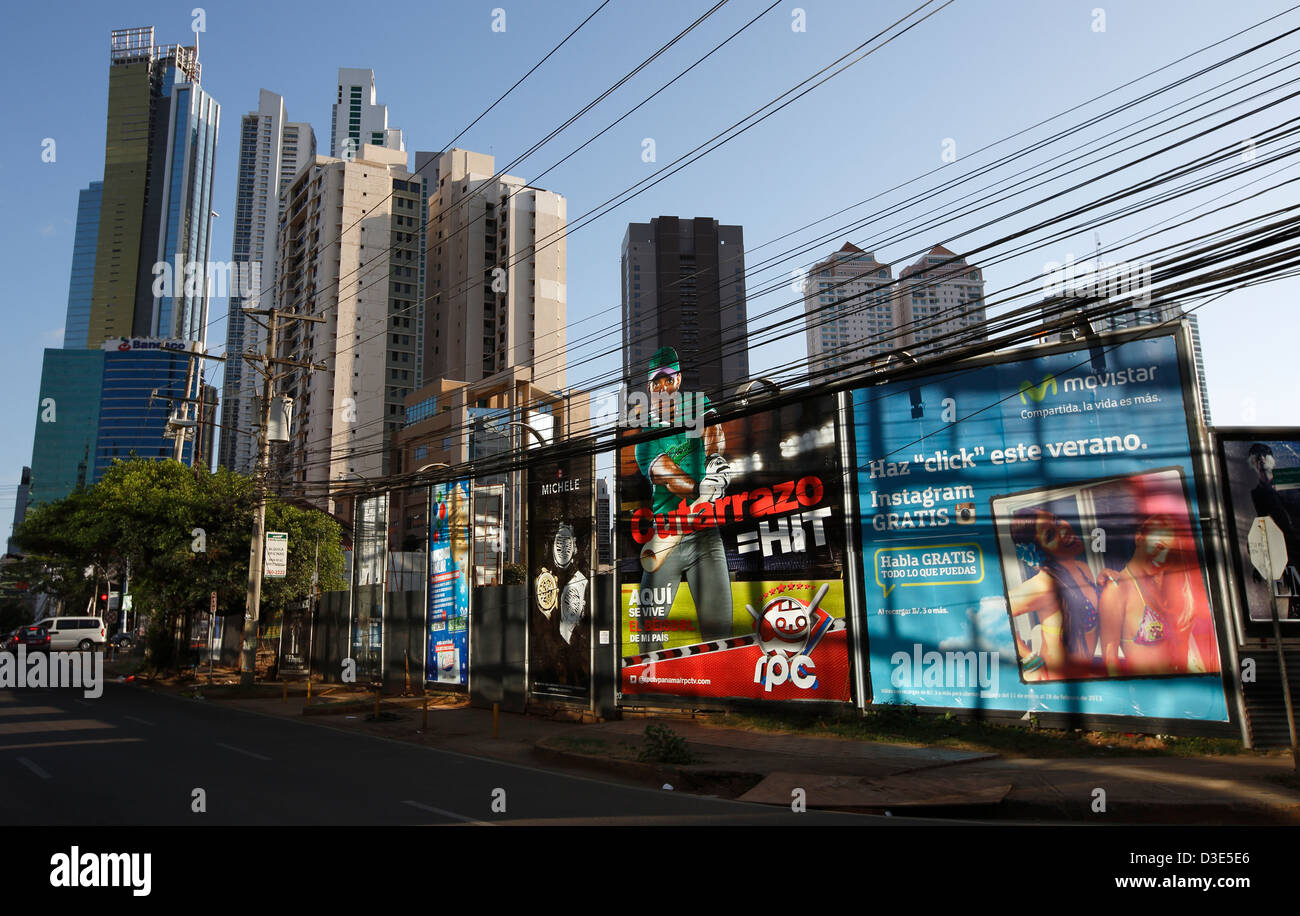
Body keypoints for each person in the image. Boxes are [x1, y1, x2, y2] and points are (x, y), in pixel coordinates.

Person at [633, 347, 734, 643]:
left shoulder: (697, 403)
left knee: (720, 632)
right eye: (656, 383)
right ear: (649, 390)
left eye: (667, 380)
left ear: (678, 380)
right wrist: (700, 489)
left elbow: (713, 429)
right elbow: (665, 473)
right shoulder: (646, 435)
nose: (662, 388)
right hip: (666, 537)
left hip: (704, 534)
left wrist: (715, 461)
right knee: (648, 635)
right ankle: (648, 687)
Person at [1007, 507, 1102, 679]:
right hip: (1056, 682)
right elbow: (996, 612)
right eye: (1050, 535)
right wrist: (1029, 660)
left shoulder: (1083, 569)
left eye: (1057, 521)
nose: (1063, 529)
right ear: (1038, 551)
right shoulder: (1044, 586)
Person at [1100, 514, 1201, 675]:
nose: (1163, 558)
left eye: (1170, 552)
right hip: (1146, 695)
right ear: (1139, 538)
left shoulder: (1163, 584)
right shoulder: (1117, 589)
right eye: (1159, 547)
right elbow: (1110, 658)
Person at [1246, 443, 1300, 620]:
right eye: (1256, 455)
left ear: (1272, 459)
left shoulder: (1289, 480)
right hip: (1286, 548)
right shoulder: (1257, 493)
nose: (1261, 458)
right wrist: (1258, 560)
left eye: (1264, 454)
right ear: (1251, 462)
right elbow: (1260, 522)